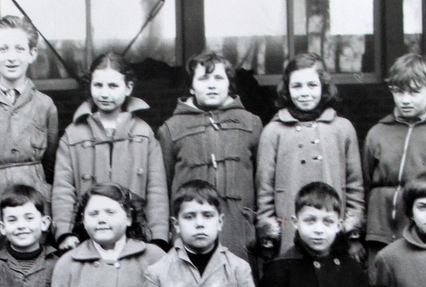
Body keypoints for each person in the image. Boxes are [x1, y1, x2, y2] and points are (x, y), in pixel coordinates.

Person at [52, 52, 169, 249]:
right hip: (86, 233)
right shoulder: (73, 134)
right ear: (90, 86)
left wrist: (157, 236)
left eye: (113, 86)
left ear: (128, 87)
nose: (105, 93)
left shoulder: (143, 133)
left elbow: (156, 189)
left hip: (136, 234)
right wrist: (64, 231)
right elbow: (63, 188)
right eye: (98, 85)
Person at [255, 52, 364, 257]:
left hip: (333, 232)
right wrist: (269, 234)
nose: (305, 93)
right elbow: (264, 189)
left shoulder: (342, 129)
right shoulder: (273, 131)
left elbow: (355, 186)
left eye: (312, 85)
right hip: (289, 228)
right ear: (286, 88)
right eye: (297, 86)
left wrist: (353, 233)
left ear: (324, 87)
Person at [157, 50, 261, 260]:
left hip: (239, 230)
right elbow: (163, 186)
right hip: (189, 230)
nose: (211, 84)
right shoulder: (170, 129)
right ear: (191, 86)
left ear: (229, 84)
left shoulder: (251, 123)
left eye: (218, 78)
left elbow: (262, 181)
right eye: (203, 78)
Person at [362, 53, 426, 258]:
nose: (405, 100)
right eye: (399, 92)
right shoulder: (377, 133)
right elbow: (364, 183)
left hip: (424, 234)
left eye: (414, 92)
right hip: (379, 232)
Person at [0, 16, 58, 230]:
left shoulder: (45, 105)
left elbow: (51, 163)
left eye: (19, 49)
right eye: (4, 49)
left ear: (32, 54)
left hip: (33, 196)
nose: (11, 57)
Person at [0, 183, 58, 287]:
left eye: (29, 218)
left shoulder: (57, 265)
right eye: (12, 220)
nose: (21, 225)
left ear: (44, 223)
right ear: (2, 227)